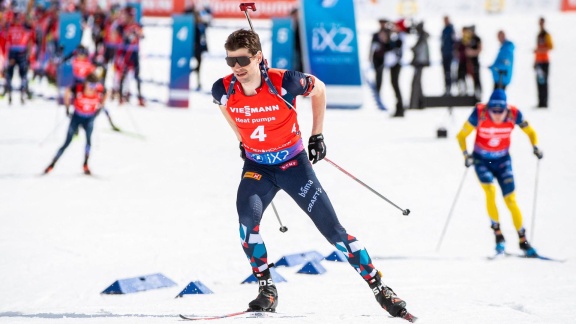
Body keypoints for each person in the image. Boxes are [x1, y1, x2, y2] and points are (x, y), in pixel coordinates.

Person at [211, 29, 414, 320]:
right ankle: (267, 289)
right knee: (247, 223)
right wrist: (242, 139)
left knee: (333, 231)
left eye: (242, 59)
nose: (236, 67)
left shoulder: (283, 82)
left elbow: (319, 90)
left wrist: (317, 134)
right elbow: (223, 107)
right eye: (230, 61)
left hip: (294, 166)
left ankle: (380, 288)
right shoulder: (224, 88)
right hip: (258, 169)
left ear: (258, 58)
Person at [456, 89, 543, 257]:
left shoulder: (514, 114)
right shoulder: (479, 113)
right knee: (490, 191)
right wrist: (466, 155)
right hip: (482, 161)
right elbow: (461, 136)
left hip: (503, 161)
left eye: (500, 111)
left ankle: (523, 241)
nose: (496, 115)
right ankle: (498, 236)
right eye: (493, 111)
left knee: (510, 200)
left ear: (506, 109)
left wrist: (535, 146)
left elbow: (530, 132)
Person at [44, 73, 106, 175]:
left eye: (94, 86)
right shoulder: (78, 89)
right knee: (67, 142)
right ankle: (52, 164)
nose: (92, 88)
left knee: (89, 141)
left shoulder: (99, 90)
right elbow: (67, 91)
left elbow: (106, 92)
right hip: (77, 117)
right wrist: (67, 107)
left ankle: (85, 164)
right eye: (90, 85)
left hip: (89, 118)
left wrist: (100, 107)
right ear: (86, 84)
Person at [409, 21, 430, 109]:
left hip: (419, 62)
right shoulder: (422, 37)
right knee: (417, 83)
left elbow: (418, 49)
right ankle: (419, 103)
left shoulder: (422, 38)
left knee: (416, 83)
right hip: (419, 62)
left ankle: (416, 103)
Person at [534, 17, 553, 108]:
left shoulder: (546, 35)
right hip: (539, 62)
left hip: (544, 61)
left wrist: (539, 50)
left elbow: (550, 47)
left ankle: (544, 103)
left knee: (544, 82)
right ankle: (540, 102)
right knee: (539, 82)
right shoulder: (539, 35)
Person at [440, 16, 456, 95]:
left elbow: (454, 41)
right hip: (444, 54)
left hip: (450, 54)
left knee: (450, 72)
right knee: (445, 72)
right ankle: (446, 87)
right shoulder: (444, 30)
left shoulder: (451, 29)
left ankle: (450, 88)